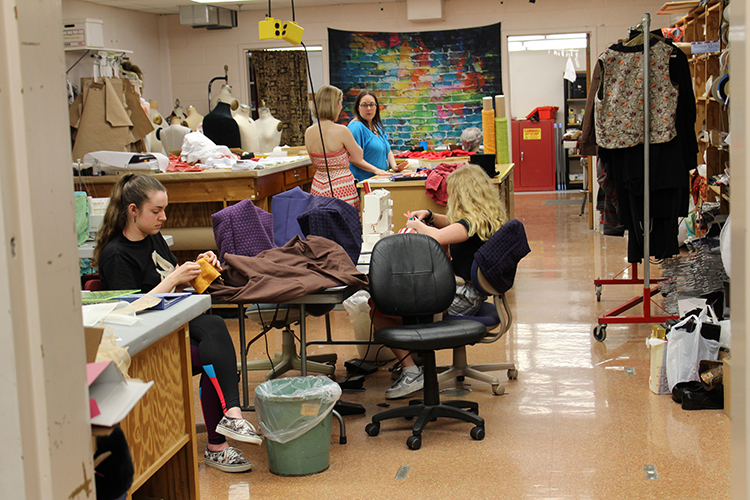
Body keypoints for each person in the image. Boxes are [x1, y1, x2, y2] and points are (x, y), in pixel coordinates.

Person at [93, 174, 261, 474]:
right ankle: (221, 437)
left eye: (164, 209)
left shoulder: (153, 238)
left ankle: (229, 421)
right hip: (146, 336)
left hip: (174, 321)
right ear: (133, 210)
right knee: (214, 355)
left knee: (214, 330)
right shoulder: (116, 255)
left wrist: (199, 266)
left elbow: (173, 283)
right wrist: (173, 279)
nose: (163, 217)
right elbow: (128, 310)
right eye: (156, 211)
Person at [381, 164, 508, 399]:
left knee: (381, 309)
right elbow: (450, 224)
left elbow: (440, 235)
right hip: (473, 293)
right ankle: (416, 359)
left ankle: (411, 370)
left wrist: (417, 225)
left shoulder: (468, 225)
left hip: (461, 298)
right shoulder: (485, 219)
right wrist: (429, 216)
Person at [305, 85, 375, 209]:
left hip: (317, 187)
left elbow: (314, 162)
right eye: (340, 102)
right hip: (341, 187)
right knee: (344, 224)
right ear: (334, 105)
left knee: (322, 223)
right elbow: (358, 156)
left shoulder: (308, 132)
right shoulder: (341, 131)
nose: (341, 107)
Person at [348, 89, 406, 182]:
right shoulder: (356, 127)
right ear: (357, 107)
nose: (369, 108)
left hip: (380, 180)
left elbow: (388, 150)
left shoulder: (377, 126)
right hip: (363, 182)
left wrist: (394, 166)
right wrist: (376, 170)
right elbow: (353, 158)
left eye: (371, 105)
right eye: (364, 105)